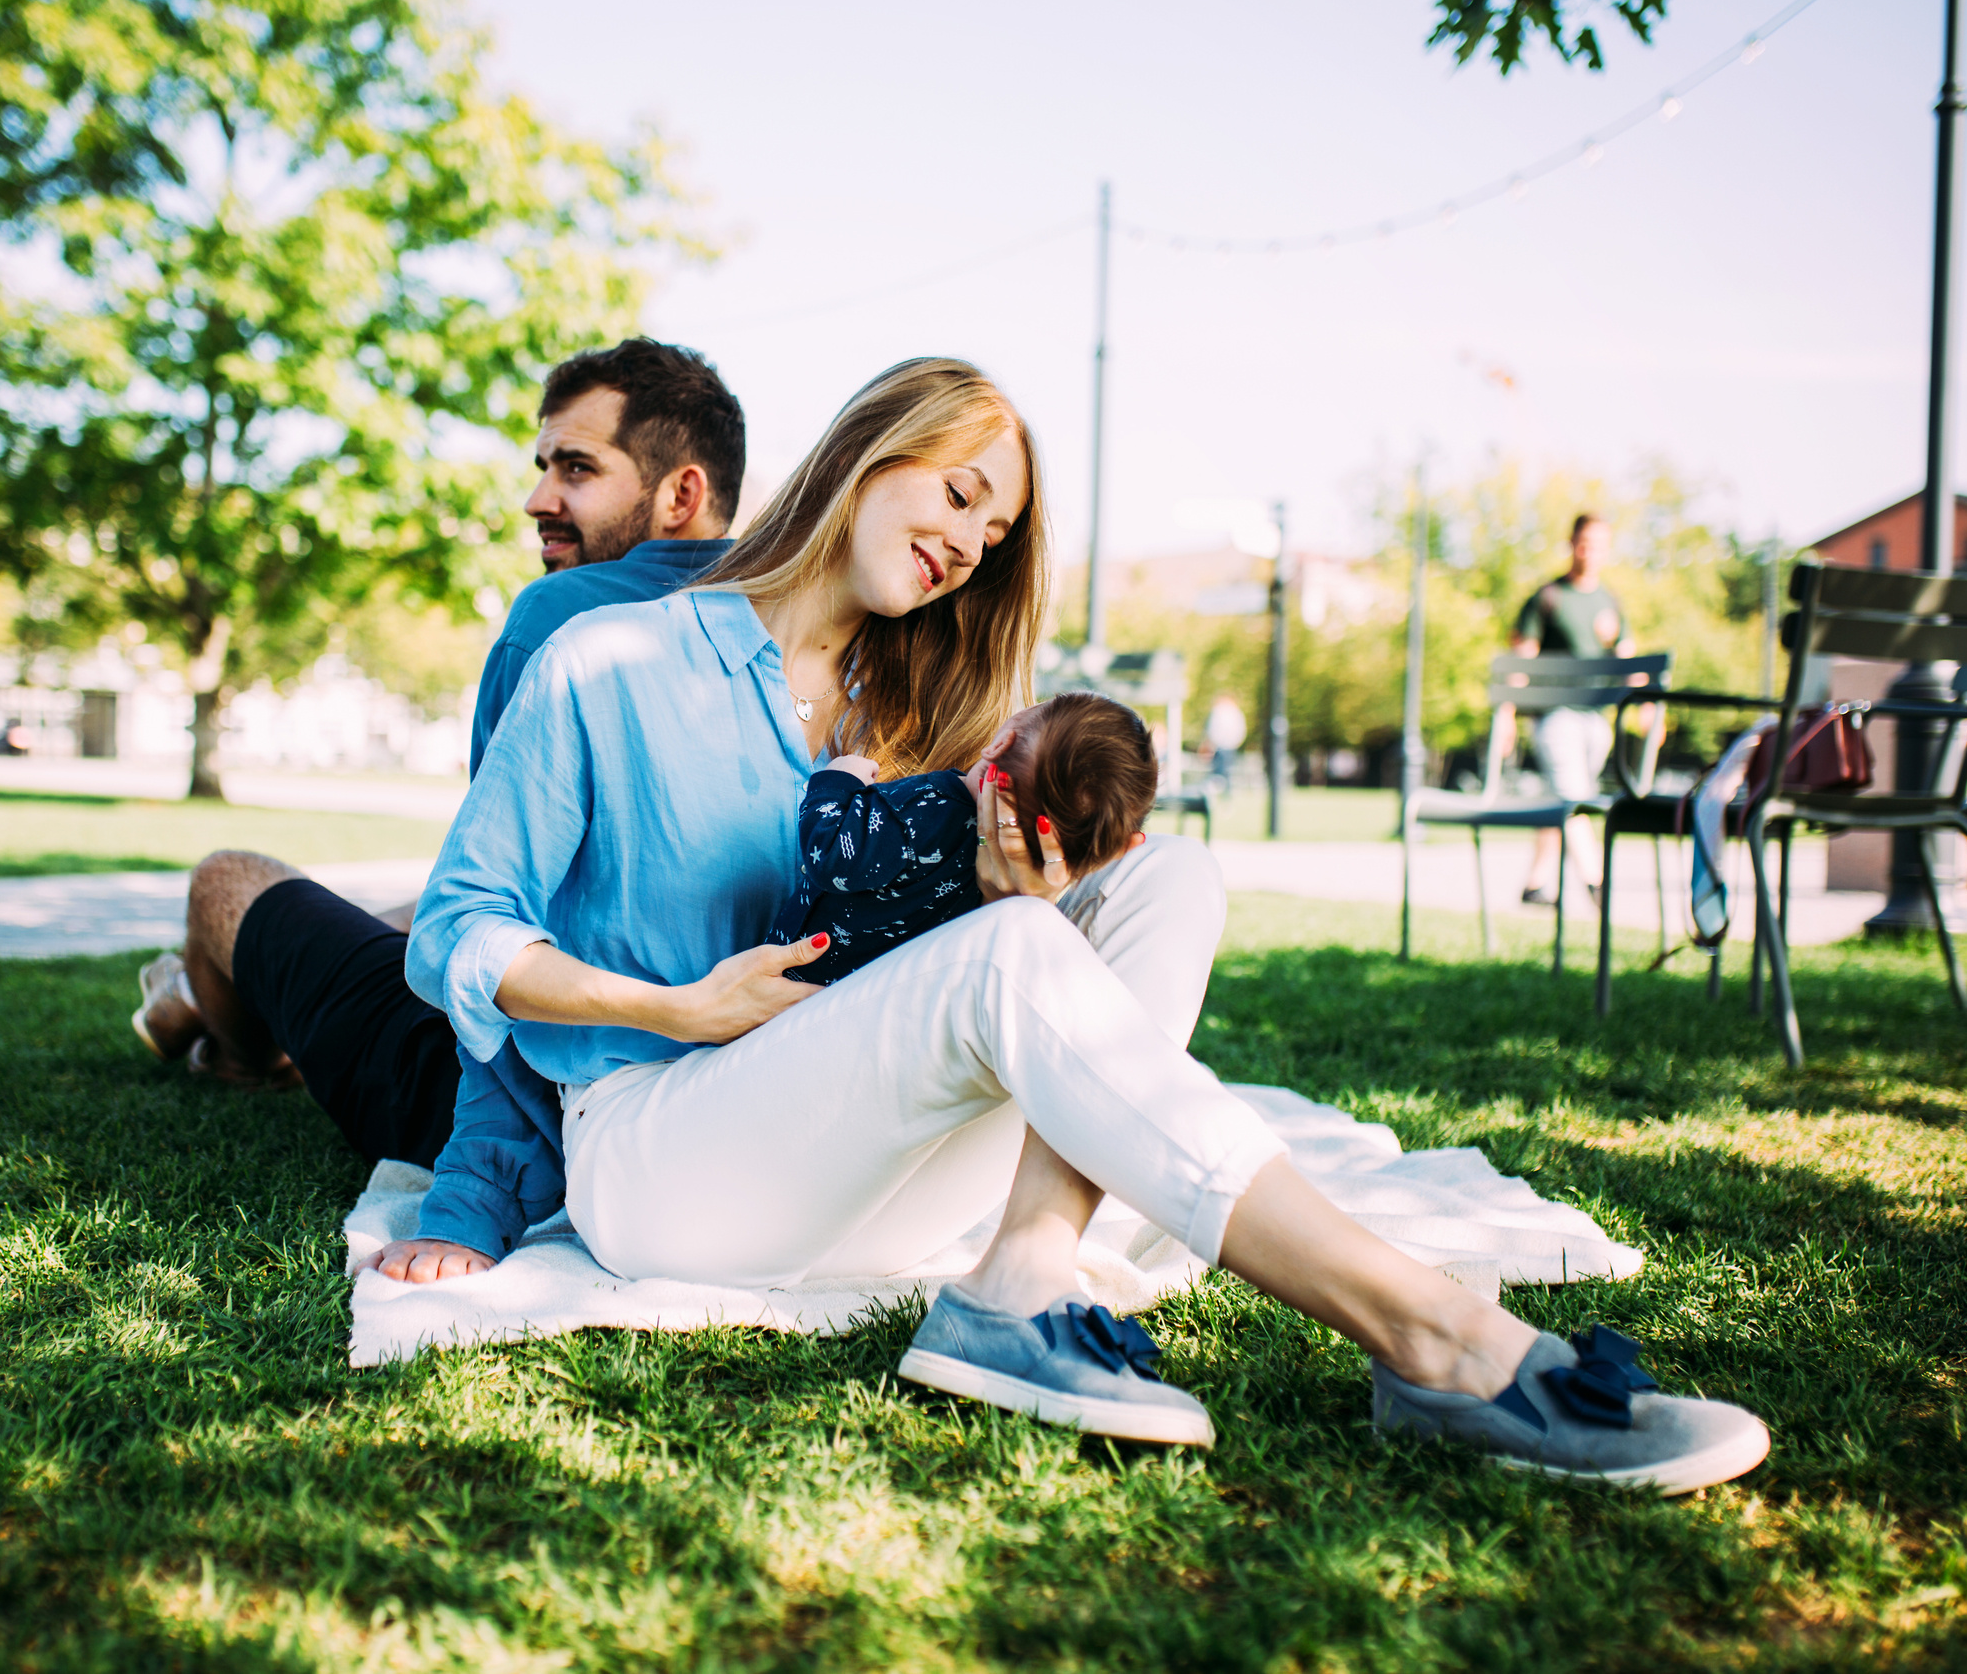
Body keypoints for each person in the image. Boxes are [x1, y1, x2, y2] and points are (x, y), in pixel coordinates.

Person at [393, 359, 1769, 1489]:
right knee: (1013, 955)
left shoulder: (925, 711)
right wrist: (670, 1005)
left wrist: (1027, 908)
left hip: (867, 1169)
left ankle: (1026, 1269)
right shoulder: (613, 660)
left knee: (1170, 879)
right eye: (961, 493)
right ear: (871, 450)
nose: (964, 545)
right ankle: (1442, 1341)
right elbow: (454, 925)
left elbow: (963, 958)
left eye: (991, 537)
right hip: (667, 1161)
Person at [130, 338, 748, 1190]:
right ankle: (209, 1004)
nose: (539, 498)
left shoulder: (562, 619)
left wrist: (481, 1176)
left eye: (577, 469)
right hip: (722, 1098)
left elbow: (489, 917)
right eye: (543, 467)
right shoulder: (786, 630)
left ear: (682, 492)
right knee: (388, 911)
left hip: (512, 1097)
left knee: (226, 882)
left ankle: (240, 1051)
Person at [772, 691, 1158, 986]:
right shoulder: (1001, 879)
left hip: (791, 986)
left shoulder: (930, 812)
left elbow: (830, 856)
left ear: (1001, 741)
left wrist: (838, 781)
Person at [1503, 513, 1634, 906]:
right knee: (1572, 792)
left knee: (1562, 796)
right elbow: (1520, 660)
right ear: (1571, 543)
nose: (1589, 552)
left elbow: (1629, 661)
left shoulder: (1609, 601)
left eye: (1598, 545)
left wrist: (1647, 710)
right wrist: (1507, 713)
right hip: (1554, 716)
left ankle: (1535, 883)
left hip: (1596, 720)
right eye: (1583, 543)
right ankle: (1597, 882)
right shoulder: (1547, 597)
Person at [1204, 693, 1246, 790]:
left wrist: (1213, 742)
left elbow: (1213, 729)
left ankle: (1219, 790)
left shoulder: (1219, 711)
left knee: (1219, 771)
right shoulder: (1235, 711)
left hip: (1221, 745)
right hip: (1230, 745)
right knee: (1227, 771)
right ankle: (1225, 791)